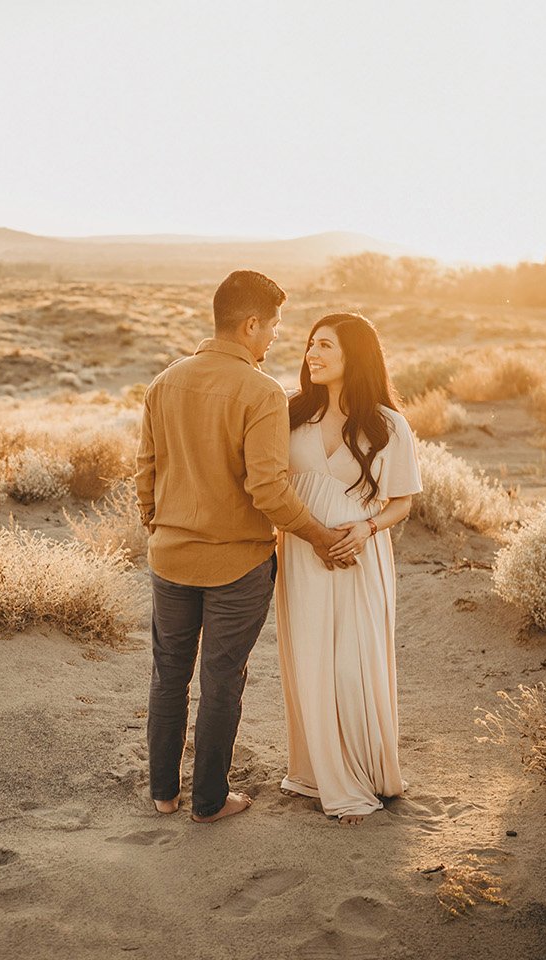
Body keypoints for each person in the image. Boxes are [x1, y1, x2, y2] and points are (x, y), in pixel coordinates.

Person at [135, 270, 347, 824]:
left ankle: (163, 794)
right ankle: (208, 801)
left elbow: (146, 470)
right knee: (221, 681)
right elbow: (269, 490)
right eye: (274, 325)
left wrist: (156, 528)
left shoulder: (164, 382)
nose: (276, 337)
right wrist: (322, 537)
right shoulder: (261, 392)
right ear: (251, 323)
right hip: (237, 566)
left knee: (169, 675)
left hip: (170, 560)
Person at [275, 313, 422, 825]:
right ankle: (317, 773)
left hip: (362, 556)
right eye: (310, 344)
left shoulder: (388, 424)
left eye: (325, 346)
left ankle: (362, 775)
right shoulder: (290, 414)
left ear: (353, 356)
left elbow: (402, 501)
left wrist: (366, 529)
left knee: (354, 663)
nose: (311, 355)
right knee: (312, 659)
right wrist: (311, 535)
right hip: (299, 552)